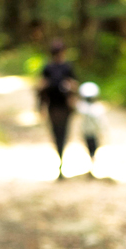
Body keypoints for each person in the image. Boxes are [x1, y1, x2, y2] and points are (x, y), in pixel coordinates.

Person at [38, 40, 77, 179]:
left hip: (65, 107)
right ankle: (60, 161)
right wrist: (40, 107)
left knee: (63, 134)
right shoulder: (47, 68)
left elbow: (75, 85)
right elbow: (41, 90)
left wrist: (70, 88)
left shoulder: (67, 67)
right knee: (56, 134)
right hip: (53, 106)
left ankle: (62, 161)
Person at [76, 81, 108, 178]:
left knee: (92, 149)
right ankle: (92, 166)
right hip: (90, 132)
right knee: (92, 149)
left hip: (91, 132)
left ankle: (92, 166)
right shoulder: (93, 108)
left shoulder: (85, 108)